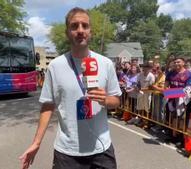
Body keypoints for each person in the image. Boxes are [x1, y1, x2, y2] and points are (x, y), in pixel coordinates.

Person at [19, 7, 122, 169]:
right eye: (74, 26)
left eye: (84, 26)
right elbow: (48, 105)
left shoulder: (106, 64)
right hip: (67, 154)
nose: (80, 30)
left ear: (90, 31)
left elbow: (116, 100)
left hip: (102, 150)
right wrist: (36, 143)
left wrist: (105, 100)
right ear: (67, 32)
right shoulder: (55, 66)